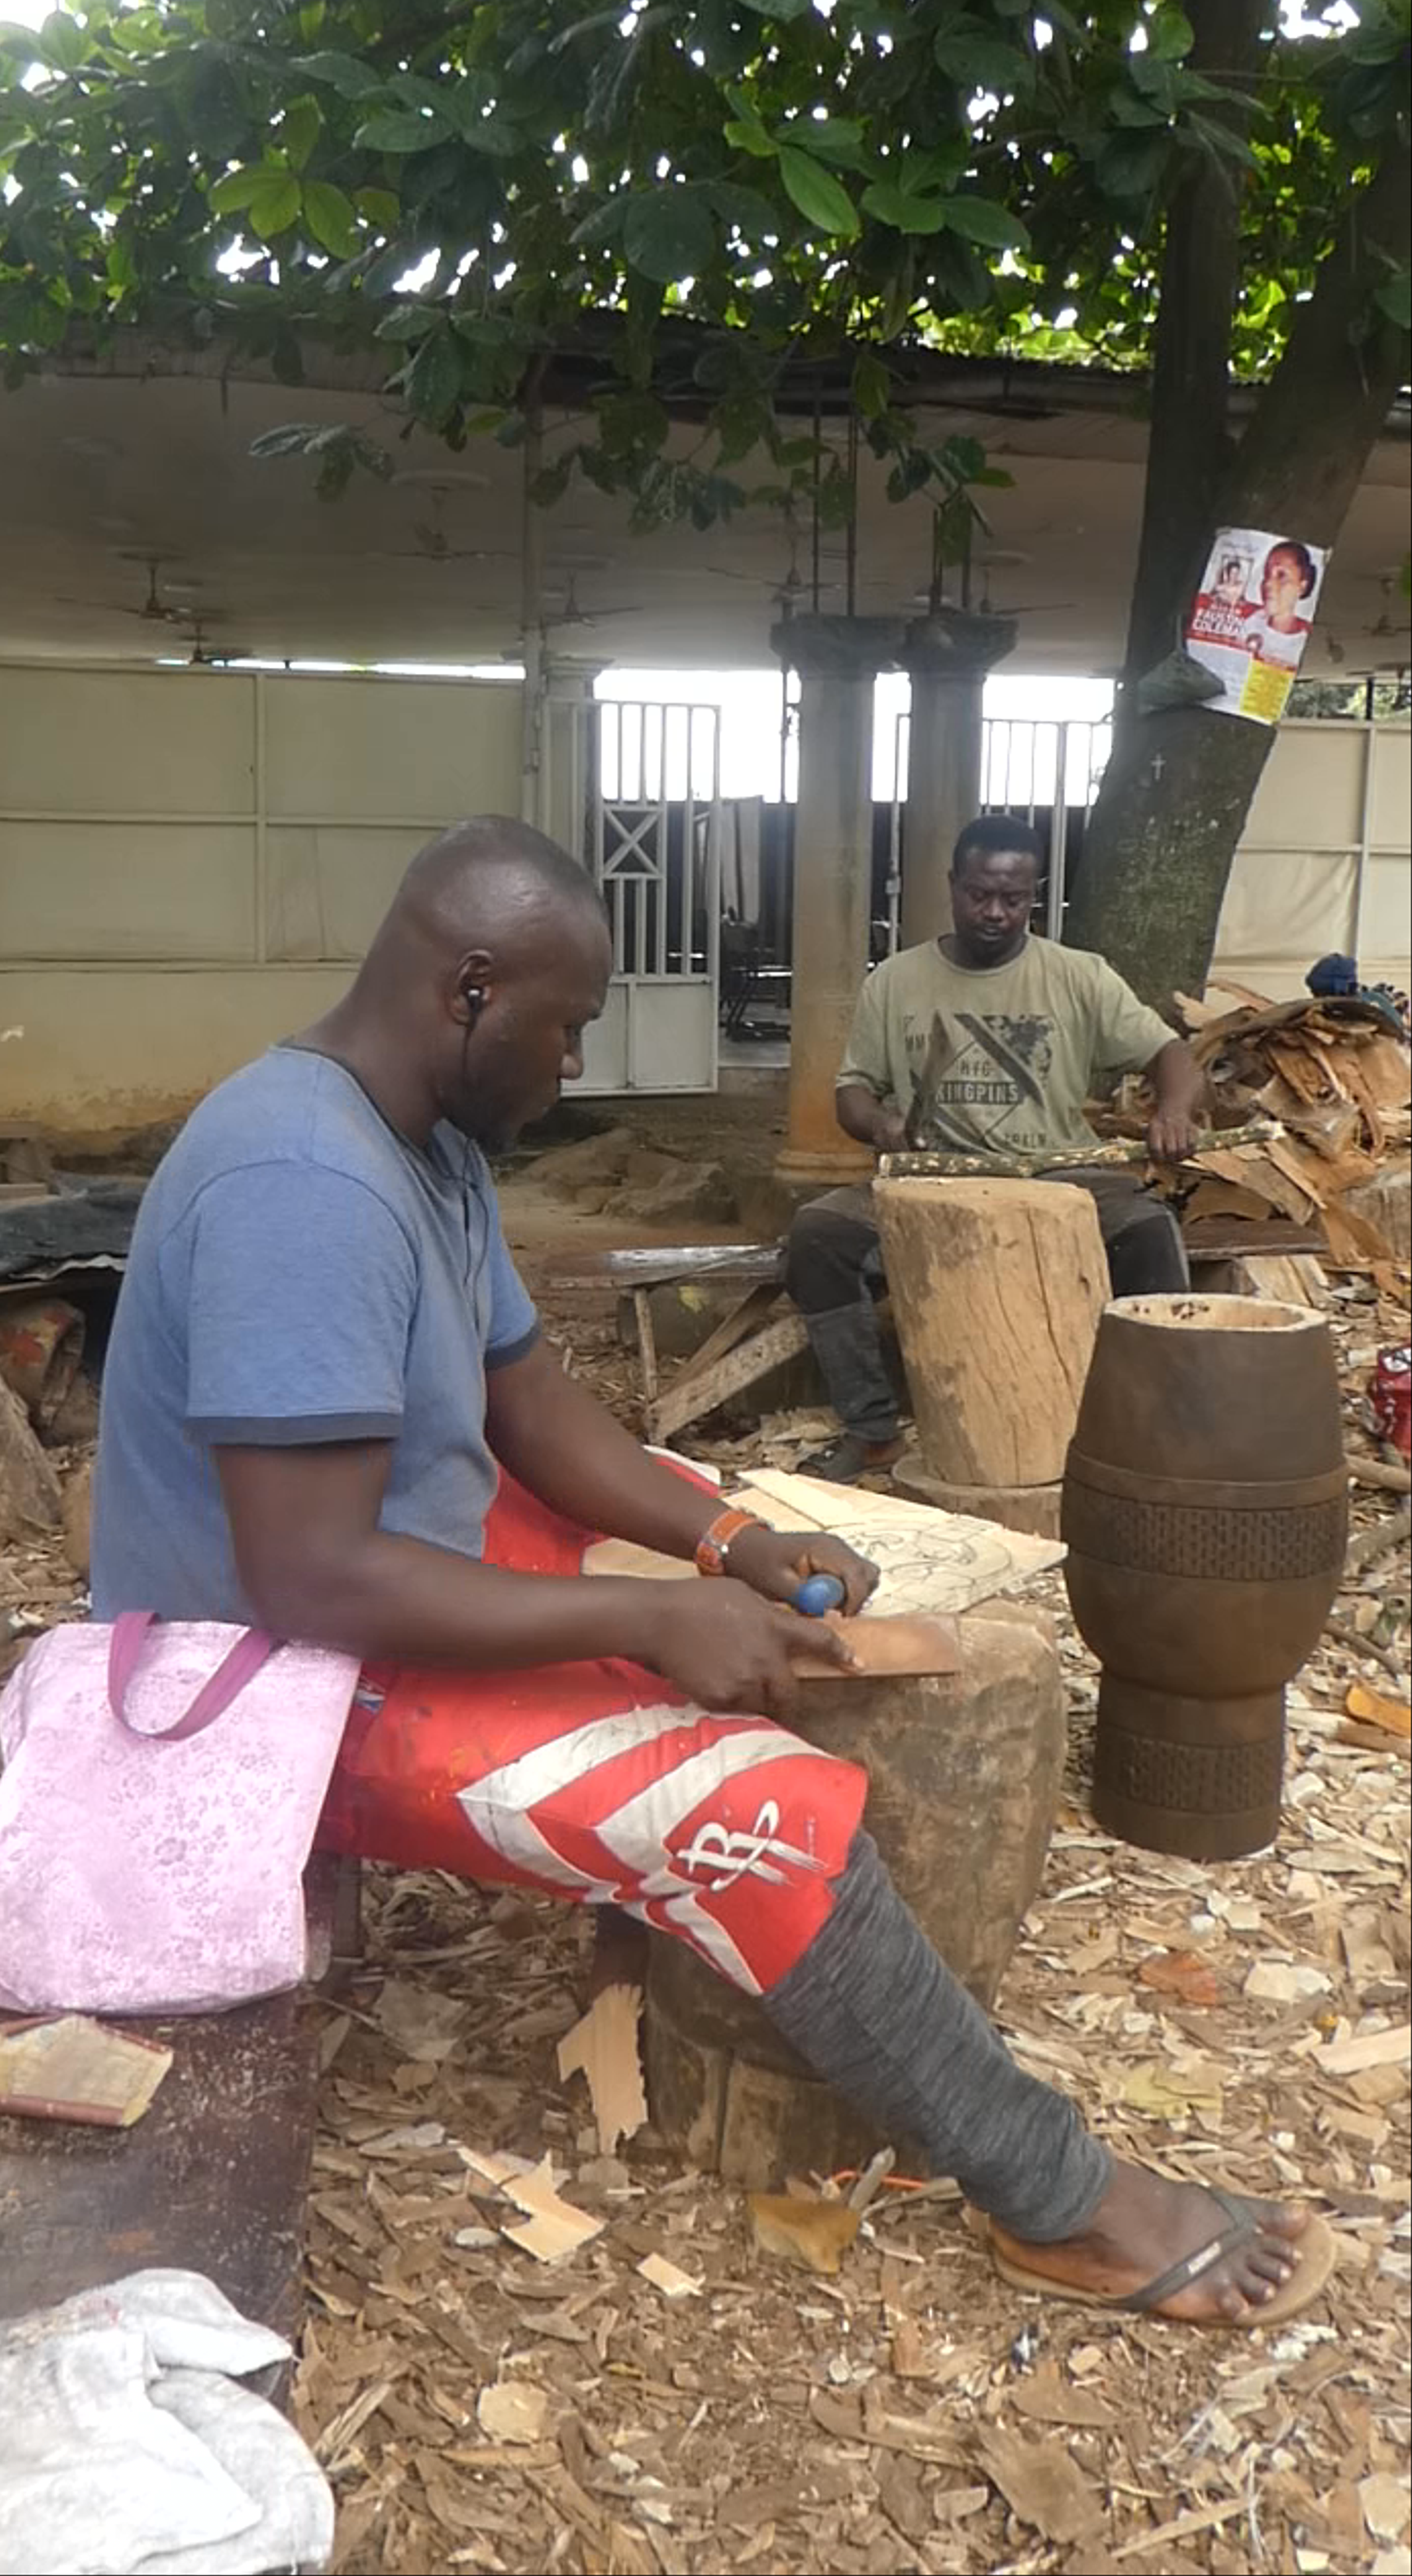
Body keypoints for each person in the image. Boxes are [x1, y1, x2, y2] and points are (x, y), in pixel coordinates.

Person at [92, 816, 1326, 2329]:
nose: (575, 1065)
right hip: (261, 1683)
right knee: (761, 1815)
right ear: (472, 987)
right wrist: (648, 1611)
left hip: (374, 1577)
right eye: (566, 1028)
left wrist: (726, 1543)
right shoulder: (308, 1182)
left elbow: (530, 1406)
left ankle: (676, 1869)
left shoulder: (421, 1140)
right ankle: (1063, 2197)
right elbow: (311, 1578)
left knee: (699, 1564)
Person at [786, 816, 1201, 1484]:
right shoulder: (895, 982)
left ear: (1034, 896)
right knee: (816, 1237)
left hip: (1063, 1174)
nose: (996, 913)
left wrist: (1175, 1112)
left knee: (1150, 1231)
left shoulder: (1079, 976)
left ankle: (1156, 1434)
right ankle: (871, 1432)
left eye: (1015, 899)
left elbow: (1171, 1052)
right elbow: (853, 1090)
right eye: (981, 895)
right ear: (953, 887)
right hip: (930, 1178)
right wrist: (882, 1125)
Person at [1244, 540, 1319, 672]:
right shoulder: (1248, 624)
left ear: (1302, 586)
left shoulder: (1303, 643)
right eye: (1267, 575)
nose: (1269, 584)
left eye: (1282, 576)